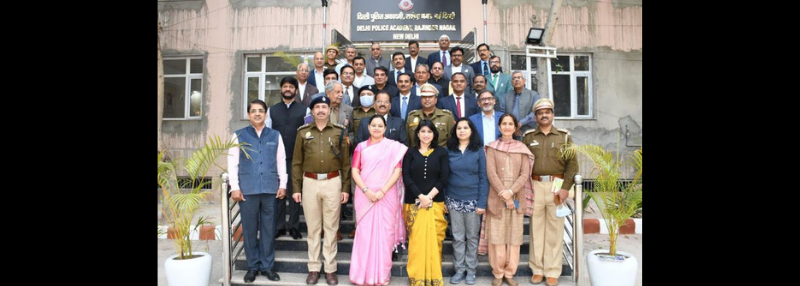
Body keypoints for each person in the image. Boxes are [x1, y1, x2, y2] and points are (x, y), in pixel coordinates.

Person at [291, 95, 351, 285]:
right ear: (312, 111)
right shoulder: (303, 132)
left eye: (324, 107)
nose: (321, 110)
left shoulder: (339, 131)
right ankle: (314, 268)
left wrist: (345, 188)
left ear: (329, 109)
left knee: (331, 228)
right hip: (310, 182)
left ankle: (330, 269)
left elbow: (346, 163)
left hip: (333, 182)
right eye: (317, 107)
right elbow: (297, 162)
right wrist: (296, 188)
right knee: (313, 229)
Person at [227, 99, 287, 283]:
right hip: (248, 191)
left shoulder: (275, 135)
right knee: (250, 230)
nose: (257, 114)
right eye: (253, 111)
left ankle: (268, 266)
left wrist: (283, 184)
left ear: (266, 114)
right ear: (248, 114)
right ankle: (252, 267)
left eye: (261, 110)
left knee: (269, 230)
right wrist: (235, 187)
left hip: (270, 189)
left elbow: (281, 161)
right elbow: (232, 163)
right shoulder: (238, 135)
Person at [523, 98, 578, 286]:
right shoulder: (528, 137)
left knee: (555, 229)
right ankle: (537, 269)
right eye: (540, 113)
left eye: (547, 112)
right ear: (535, 117)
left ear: (553, 114)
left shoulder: (564, 136)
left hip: (557, 184)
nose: (544, 115)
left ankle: (553, 271)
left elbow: (572, 164)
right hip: (535, 185)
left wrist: (565, 188)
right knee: (536, 229)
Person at [348, 115, 409, 286]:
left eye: (380, 125)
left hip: (386, 195)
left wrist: (382, 190)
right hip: (365, 195)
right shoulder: (361, 147)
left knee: (385, 236)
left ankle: (382, 275)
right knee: (364, 235)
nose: (376, 128)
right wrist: (366, 190)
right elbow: (354, 170)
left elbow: (397, 171)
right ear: (368, 127)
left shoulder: (393, 147)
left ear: (385, 128)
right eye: (373, 125)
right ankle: (361, 275)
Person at [484, 114, 534, 286]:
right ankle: (498, 274)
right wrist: (504, 193)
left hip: (517, 197)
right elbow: (491, 173)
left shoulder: (522, 148)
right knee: (497, 237)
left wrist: (511, 192)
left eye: (510, 124)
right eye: (504, 124)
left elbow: (524, 174)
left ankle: (510, 273)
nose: (507, 127)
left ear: (515, 127)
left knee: (514, 238)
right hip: (496, 198)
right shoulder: (491, 148)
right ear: (499, 127)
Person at [402, 119, 450, 286]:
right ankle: (417, 279)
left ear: (434, 134)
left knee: (434, 242)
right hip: (413, 203)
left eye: (429, 131)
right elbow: (406, 176)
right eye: (422, 131)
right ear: (417, 134)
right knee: (416, 243)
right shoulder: (410, 152)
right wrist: (420, 196)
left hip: (435, 203)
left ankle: (433, 277)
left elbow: (444, 177)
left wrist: (428, 197)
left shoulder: (441, 152)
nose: (426, 135)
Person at [444, 118, 488, 285]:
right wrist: (445, 200)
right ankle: (459, 269)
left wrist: (482, 203)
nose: (462, 131)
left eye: (465, 128)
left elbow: (483, 177)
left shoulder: (478, 150)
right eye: (459, 128)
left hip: (473, 200)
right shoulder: (449, 150)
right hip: (453, 199)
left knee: (471, 237)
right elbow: (444, 176)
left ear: (471, 131)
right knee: (457, 236)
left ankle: (471, 270)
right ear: (455, 131)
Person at [268, 77, 310, 241]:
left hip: (296, 158)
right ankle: (279, 227)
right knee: (279, 193)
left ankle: (294, 226)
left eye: (291, 87)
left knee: (294, 193)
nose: (288, 89)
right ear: (281, 89)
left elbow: (308, 133)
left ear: (295, 91)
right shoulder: (271, 110)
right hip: (276, 158)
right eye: (285, 86)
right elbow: (268, 132)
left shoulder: (305, 110)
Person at [503, 71, 541, 137]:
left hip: (529, 132)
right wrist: (513, 126)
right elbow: (502, 113)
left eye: (519, 77)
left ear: (524, 80)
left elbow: (535, 112)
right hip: (510, 133)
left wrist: (520, 123)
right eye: (514, 78)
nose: (516, 80)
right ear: (511, 82)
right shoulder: (506, 96)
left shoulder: (534, 95)